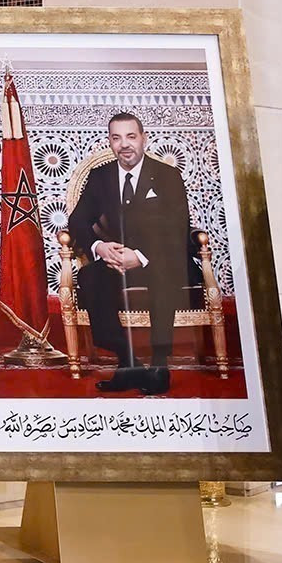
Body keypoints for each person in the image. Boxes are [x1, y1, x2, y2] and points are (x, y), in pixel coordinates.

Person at [66, 110, 191, 396]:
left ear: (143, 139)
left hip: (159, 257)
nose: (124, 144)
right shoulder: (101, 177)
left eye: (131, 136)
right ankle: (127, 361)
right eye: (116, 138)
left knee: (163, 273)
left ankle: (159, 366)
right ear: (110, 142)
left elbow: (177, 225)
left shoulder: (167, 175)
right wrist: (100, 248)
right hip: (116, 259)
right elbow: (77, 220)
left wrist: (141, 256)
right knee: (90, 275)